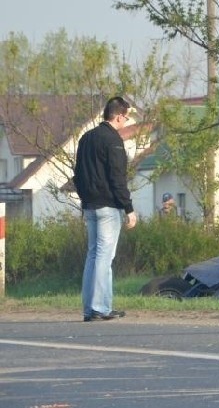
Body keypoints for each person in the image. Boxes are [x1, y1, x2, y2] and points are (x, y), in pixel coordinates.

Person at [73, 96, 138, 322]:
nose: (126, 121)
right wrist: (129, 208)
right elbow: (117, 179)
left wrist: (84, 199)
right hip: (108, 207)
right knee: (104, 257)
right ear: (119, 115)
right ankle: (101, 307)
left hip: (89, 206)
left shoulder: (86, 138)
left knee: (93, 256)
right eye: (126, 117)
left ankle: (89, 308)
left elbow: (77, 175)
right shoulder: (113, 141)